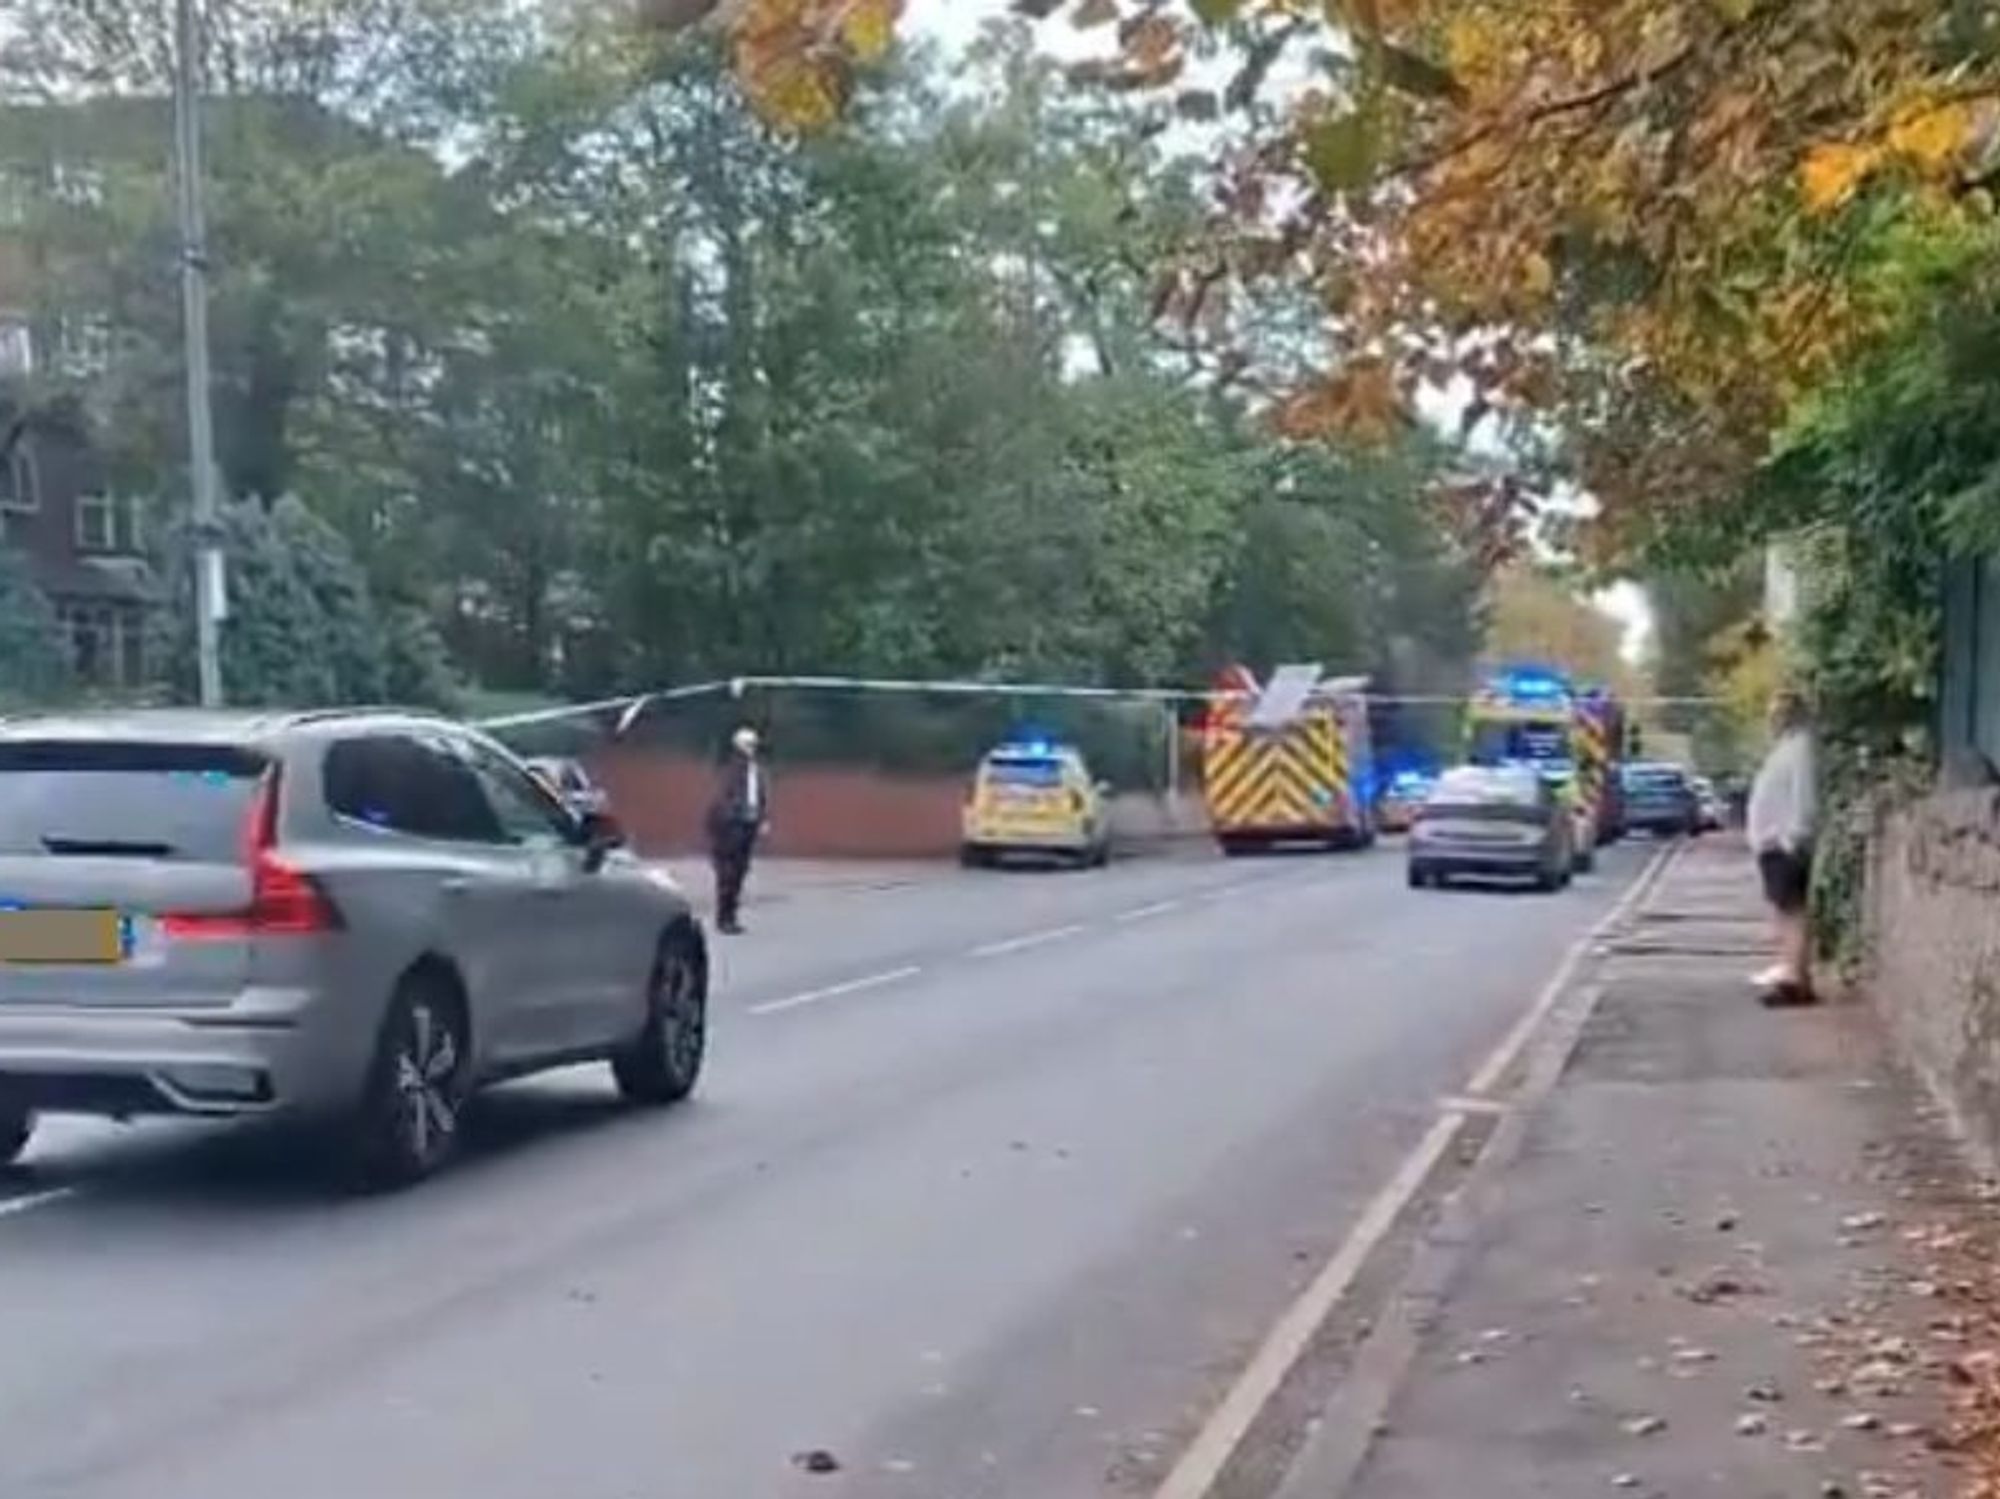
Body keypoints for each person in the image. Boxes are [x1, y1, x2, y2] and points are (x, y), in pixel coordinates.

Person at [1747, 688, 1817, 1006]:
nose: (1772, 718)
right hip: (1773, 843)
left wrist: (1794, 838)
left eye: (1778, 712)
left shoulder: (1801, 748)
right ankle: (1791, 973)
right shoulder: (1788, 747)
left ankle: (1795, 979)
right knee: (1784, 910)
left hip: (1784, 843)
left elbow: (1805, 797)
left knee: (1792, 911)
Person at [706, 726, 767, 935]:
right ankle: (724, 918)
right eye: (749, 744)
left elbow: (760, 796)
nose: (753, 748)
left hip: (749, 824)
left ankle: (731, 916)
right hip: (732, 826)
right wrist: (731, 817)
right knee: (728, 873)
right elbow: (723, 798)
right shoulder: (732, 767)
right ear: (738, 745)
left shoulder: (755, 769)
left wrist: (762, 818)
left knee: (740, 871)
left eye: (754, 744)